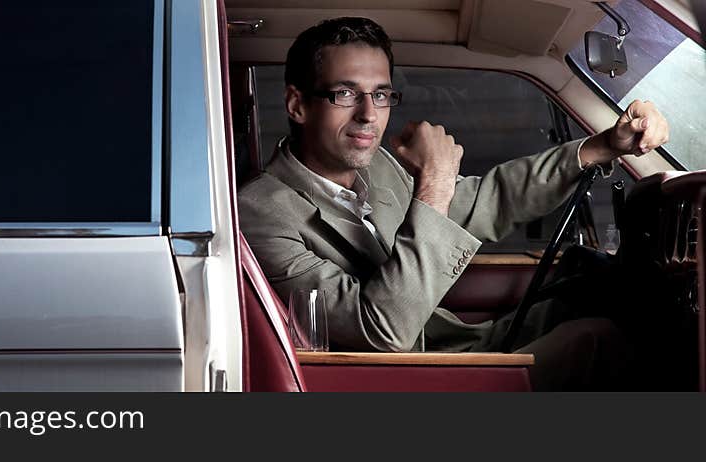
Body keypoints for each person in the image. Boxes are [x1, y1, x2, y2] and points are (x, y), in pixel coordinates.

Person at [238, 17, 670, 390]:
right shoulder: (260, 212)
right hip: (406, 379)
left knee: (595, 294)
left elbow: (489, 200)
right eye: (346, 94)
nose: (369, 115)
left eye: (382, 94)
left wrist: (603, 146)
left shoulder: (377, 168)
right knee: (598, 341)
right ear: (297, 105)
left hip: (454, 346)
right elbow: (378, 333)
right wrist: (436, 181)